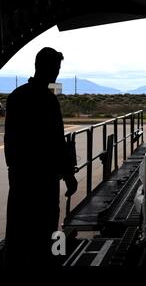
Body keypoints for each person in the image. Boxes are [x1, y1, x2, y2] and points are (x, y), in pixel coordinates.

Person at [4, 47, 78, 266]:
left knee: (18, 230)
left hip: (20, 177)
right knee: (44, 230)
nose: (56, 73)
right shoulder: (47, 100)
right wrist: (68, 174)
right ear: (44, 67)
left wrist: (15, 171)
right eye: (55, 68)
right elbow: (55, 141)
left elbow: (11, 141)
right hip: (44, 179)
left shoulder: (17, 96)